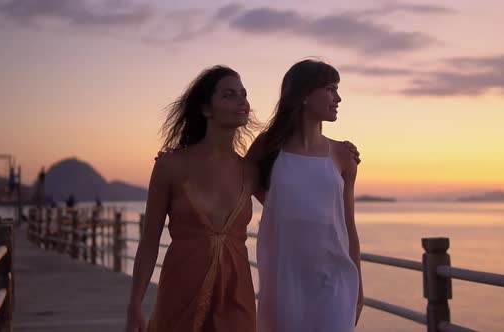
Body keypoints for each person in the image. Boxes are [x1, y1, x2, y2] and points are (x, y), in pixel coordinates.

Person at [126, 65, 258, 332]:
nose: (242, 101)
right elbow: (150, 241)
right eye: (229, 95)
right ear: (206, 109)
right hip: (181, 291)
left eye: (243, 94)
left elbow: (295, 201)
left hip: (236, 296)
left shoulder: (251, 170)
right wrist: (135, 304)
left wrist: (340, 156)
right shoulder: (170, 166)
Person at [247, 59, 363, 332]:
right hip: (285, 278)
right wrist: (178, 157)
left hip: (335, 278)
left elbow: (348, 225)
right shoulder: (267, 147)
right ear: (304, 95)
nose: (338, 98)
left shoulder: (343, 155)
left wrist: (358, 285)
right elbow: (236, 182)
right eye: (330, 89)